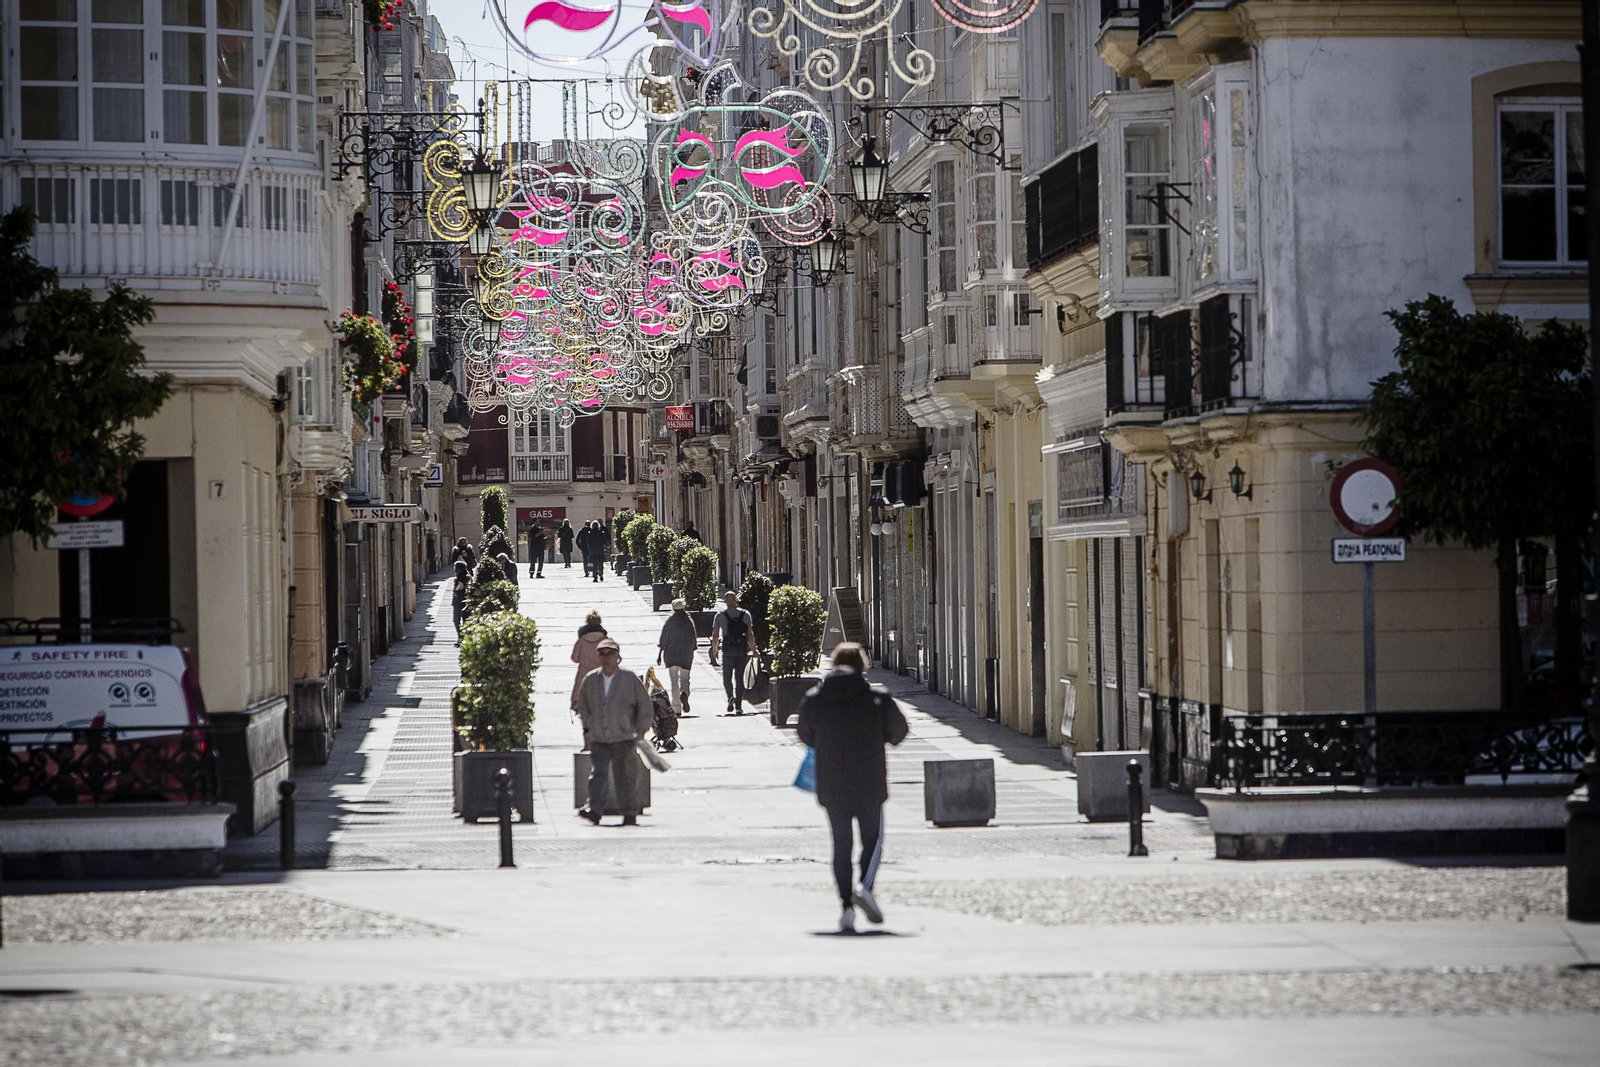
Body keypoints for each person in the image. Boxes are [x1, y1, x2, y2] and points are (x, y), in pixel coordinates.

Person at [796, 642, 908, 933]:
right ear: (862, 665)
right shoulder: (877, 698)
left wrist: (826, 742)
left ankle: (846, 907)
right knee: (872, 841)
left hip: (832, 782)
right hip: (869, 781)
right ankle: (865, 887)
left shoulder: (815, 698)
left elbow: (805, 734)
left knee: (841, 845)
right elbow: (899, 733)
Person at [573, 638, 653, 826]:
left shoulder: (629, 678)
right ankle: (595, 810)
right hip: (599, 736)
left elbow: (644, 704)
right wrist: (588, 725)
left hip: (623, 736)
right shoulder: (591, 679)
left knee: (625, 776)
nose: (606, 658)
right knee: (598, 775)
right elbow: (582, 704)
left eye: (610, 654)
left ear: (618, 656)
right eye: (602, 653)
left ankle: (629, 812)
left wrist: (641, 729)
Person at [708, 590, 756, 715]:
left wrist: (715, 649)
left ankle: (730, 697)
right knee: (739, 679)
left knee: (727, 677)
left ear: (725, 602)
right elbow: (750, 634)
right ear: (736, 600)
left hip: (727, 650)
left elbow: (715, 634)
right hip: (741, 650)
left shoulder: (720, 616)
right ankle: (739, 706)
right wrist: (754, 650)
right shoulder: (745, 614)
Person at [656, 597, 698, 715]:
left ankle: (676, 708)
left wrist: (659, 655)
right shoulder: (688, 621)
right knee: (685, 679)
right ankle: (684, 693)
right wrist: (692, 650)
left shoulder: (670, 621)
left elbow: (663, 638)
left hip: (671, 655)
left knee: (674, 681)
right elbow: (693, 638)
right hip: (685, 655)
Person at [570, 610, 608, 710]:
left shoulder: (581, 640)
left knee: (580, 685)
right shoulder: (605, 639)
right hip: (601, 673)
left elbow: (574, 658)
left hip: (584, 672)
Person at [450, 560, 471, 643]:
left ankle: (461, 636)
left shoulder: (463, 578)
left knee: (457, 620)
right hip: (461, 601)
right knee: (461, 620)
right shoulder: (465, 577)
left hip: (460, 601)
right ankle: (462, 636)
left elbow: (457, 590)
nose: (455, 569)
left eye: (456, 568)